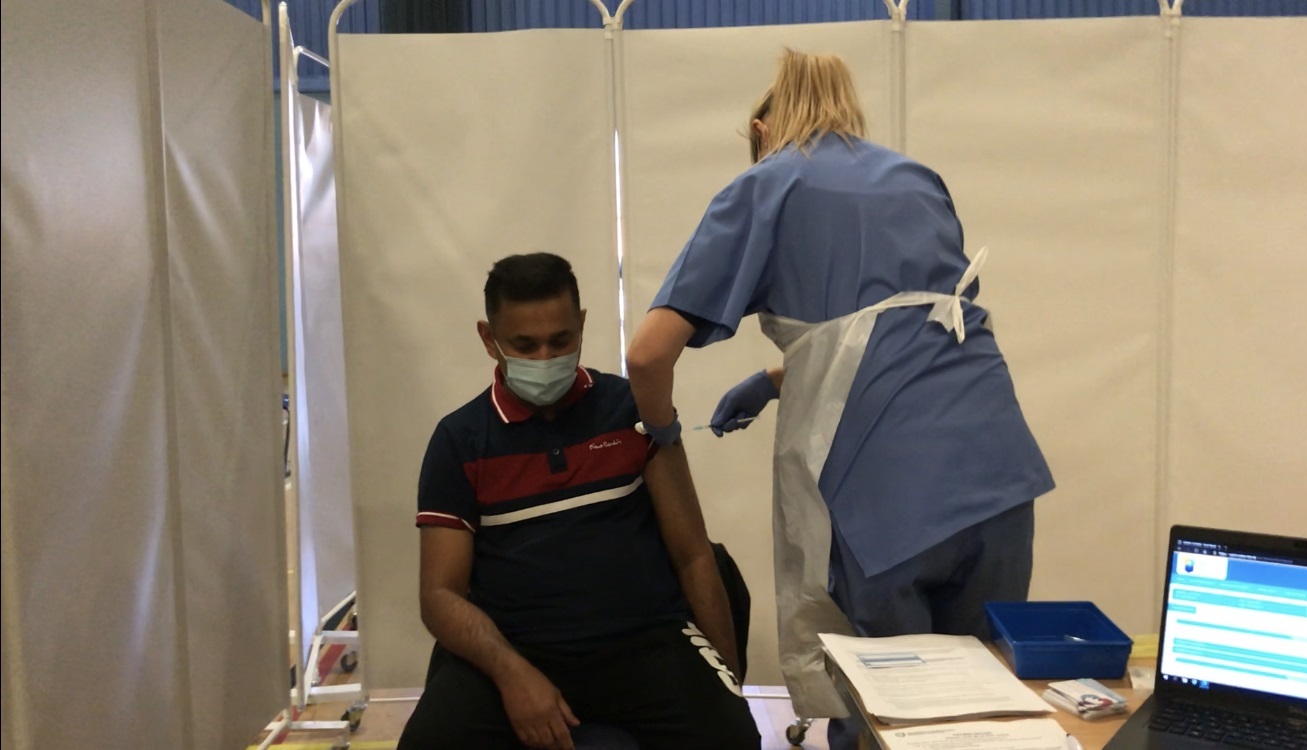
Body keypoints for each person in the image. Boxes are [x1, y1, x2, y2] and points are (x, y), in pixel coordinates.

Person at [625, 50, 1055, 748]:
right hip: (998, 471)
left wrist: (661, 432)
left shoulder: (765, 185)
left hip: (889, 496)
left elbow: (647, 353)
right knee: (981, 710)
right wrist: (769, 383)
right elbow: (895, 328)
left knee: (888, 709)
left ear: (763, 131)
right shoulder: (917, 180)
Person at [397, 253, 760, 750]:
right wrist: (512, 674)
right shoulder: (459, 441)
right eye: (525, 345)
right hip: (517, 646)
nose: (546, 358)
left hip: (642, 640)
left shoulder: (632, 410)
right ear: (489, 338)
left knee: (731, 741)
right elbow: (439, 595)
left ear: (582, 325)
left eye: (561, 340)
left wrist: (728, 686)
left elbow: (693, 553)